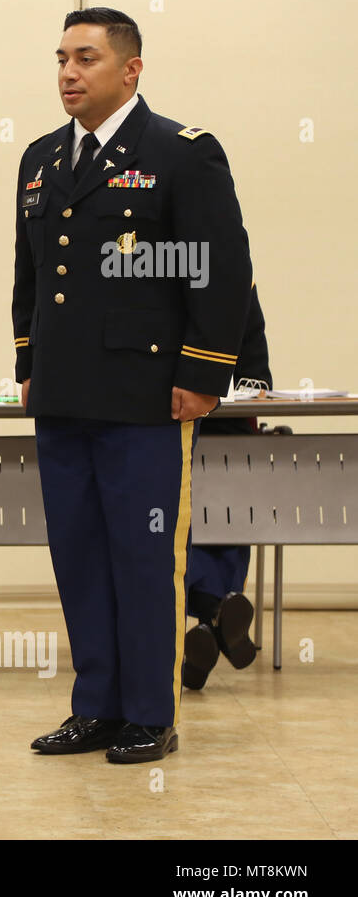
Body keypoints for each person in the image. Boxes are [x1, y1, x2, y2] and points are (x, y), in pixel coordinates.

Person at [13, 9, 253, 763]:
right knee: (80, 556)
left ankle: (150, 711)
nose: (68, 73)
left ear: (131, 69)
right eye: (60, 59)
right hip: (62, 395)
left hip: (147, 398)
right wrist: (28, 362)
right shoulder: (43, 159)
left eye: (85, 58)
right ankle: (97, 708)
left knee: (144, 559)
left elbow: (219, 270)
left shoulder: (180, 154)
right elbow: (29, 274)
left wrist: (203, 372)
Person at [182, 285, 272, 689]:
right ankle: (218, 618)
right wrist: (253, 389)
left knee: (193, 523)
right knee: (230, 519)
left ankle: (210, 619)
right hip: (226, 412)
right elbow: (254, 356)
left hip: (179, 407)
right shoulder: (235, 270)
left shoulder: (156, 262)